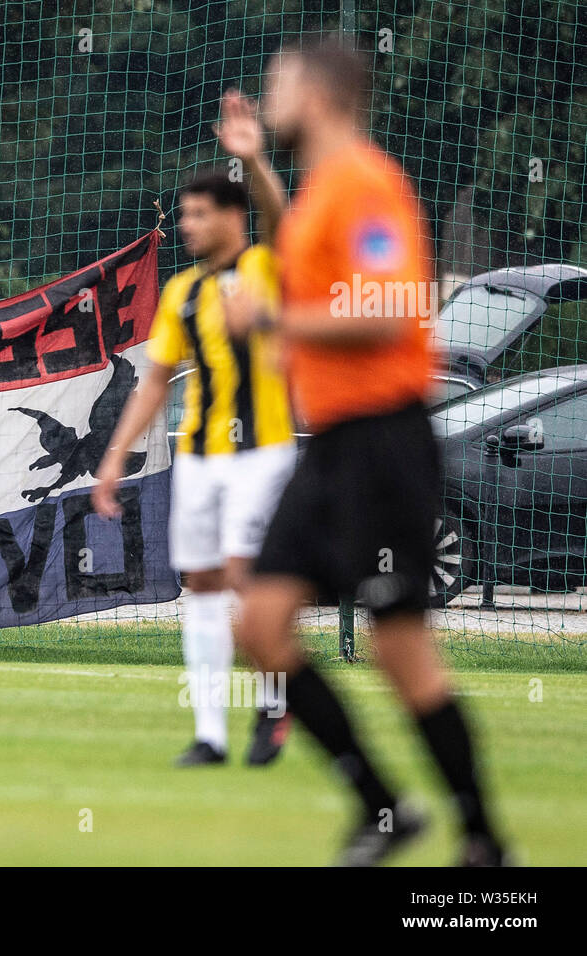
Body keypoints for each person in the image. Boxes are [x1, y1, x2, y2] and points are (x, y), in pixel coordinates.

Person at [226, 34, 508, 866]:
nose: (269, 97)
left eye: (278, 83)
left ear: (318, 94)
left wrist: (274, 322)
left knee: (399, 648)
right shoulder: (319, 193)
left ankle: (485, 843)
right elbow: (309, 271)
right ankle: (383, 810)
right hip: (332, 447)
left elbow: (388, 312)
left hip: (385, 439)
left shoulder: (366, 182)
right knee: (262, 624)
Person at [94, 110, 296, 767]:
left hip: (261, 453)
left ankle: (273, 703)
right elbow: (155, 381)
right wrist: (115, 456)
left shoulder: (265, 268)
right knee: (203, 586)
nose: (186, 226)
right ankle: (210, 735)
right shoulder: (182, 292)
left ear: (233, 217)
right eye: (184, 215)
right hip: (200, 459)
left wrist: (255, 159)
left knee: (244, 581)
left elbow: (284, 225)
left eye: (200, 214)